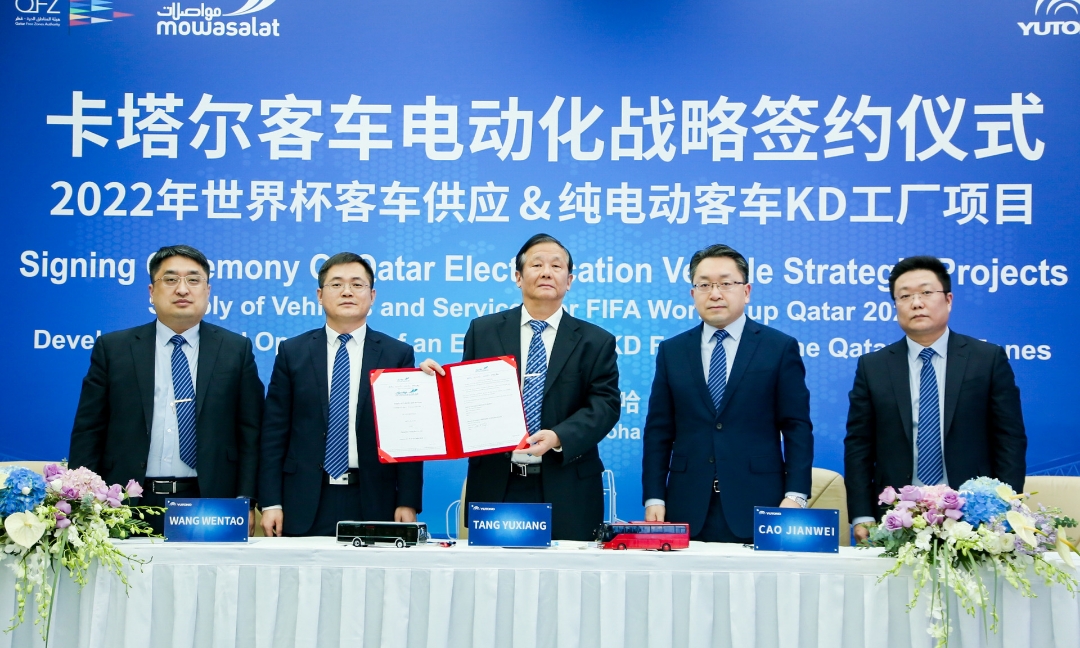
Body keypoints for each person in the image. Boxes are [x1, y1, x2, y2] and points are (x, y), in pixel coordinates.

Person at [420, 234, 620, 541]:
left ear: (569, 281)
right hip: (496, 482)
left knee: (565, 572)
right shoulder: (483, 331)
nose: (546, 272)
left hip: (568, 486)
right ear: (518, 277)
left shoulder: (596, 341)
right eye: (536, 264)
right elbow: (465, 397)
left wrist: (558, 437)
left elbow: (605, 405)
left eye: (556, 266)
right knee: (491, 571)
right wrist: (434, 385)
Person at [69, 245, 264, 535]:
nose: (182, 289)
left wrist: (245, 499)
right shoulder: (114, 349)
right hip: (123, 502)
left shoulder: (235, 350)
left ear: (208, 290)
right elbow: (89, 430)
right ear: (151, 291)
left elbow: (251, 432)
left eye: (193, 280)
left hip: (210, 503)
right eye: (170, 279)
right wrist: (82, 501)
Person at [844, 255, 1027, 543]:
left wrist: (1005, 509)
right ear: (895, 305)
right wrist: (861, 514)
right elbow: (859, 445)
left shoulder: (986, 359)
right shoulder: (874, 366)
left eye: (926, 292)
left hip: (974, 516)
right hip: (898, 516)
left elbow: (1009, 439)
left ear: (948, 300)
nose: (916, 303)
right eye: (905, 296)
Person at [641, 244, 814, 542]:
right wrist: (654, 496)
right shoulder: (673, 351)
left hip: (760, 503)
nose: (715, 293)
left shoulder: (778, 347)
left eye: (725, 283)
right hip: (686, 505)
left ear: (746, 291)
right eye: (704, 285)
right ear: (693, 294)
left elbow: (797, 426)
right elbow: (658, 431)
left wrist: (796, 495)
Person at [259, 252, 422, 537]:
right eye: (336, 284)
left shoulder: (396, 354)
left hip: (373, 499)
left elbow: (406, 433)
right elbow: (274, 432)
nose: (347, 291)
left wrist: (407, 500)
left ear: (372, 296)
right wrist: (271, 501)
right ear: (319, 295)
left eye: (357, 284)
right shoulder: (292, 352)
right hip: (303, 500)